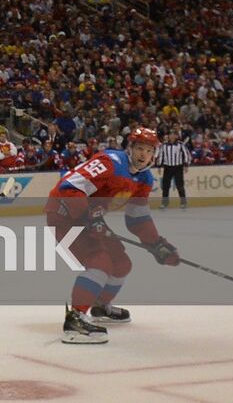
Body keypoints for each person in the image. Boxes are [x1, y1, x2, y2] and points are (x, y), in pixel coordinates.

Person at [45, 127, 180, 344]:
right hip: (65, 215)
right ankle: (75, 320)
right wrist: (87, 217)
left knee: (121, 264)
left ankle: (99, 305)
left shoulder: (144, 179)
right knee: (99, 263)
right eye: (139, 148)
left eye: (148, 150)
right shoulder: (111, 162)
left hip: (89, 218)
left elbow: (138, 219)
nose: (143, 154)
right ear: (130, 148)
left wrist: (156, 244)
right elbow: (69, 187)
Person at [155, 130, 192, 210]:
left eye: (173, 134)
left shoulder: (180, 145)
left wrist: (186, 165)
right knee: (165, 186)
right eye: (170, 134)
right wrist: (159, 166)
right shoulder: (164, 145)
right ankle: (164, 203)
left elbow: (186, 154)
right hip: (167, 167)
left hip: (178, 167)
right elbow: (161, 155)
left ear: (176, 136)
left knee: (180, 185)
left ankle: (183, 202)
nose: (171, 136)